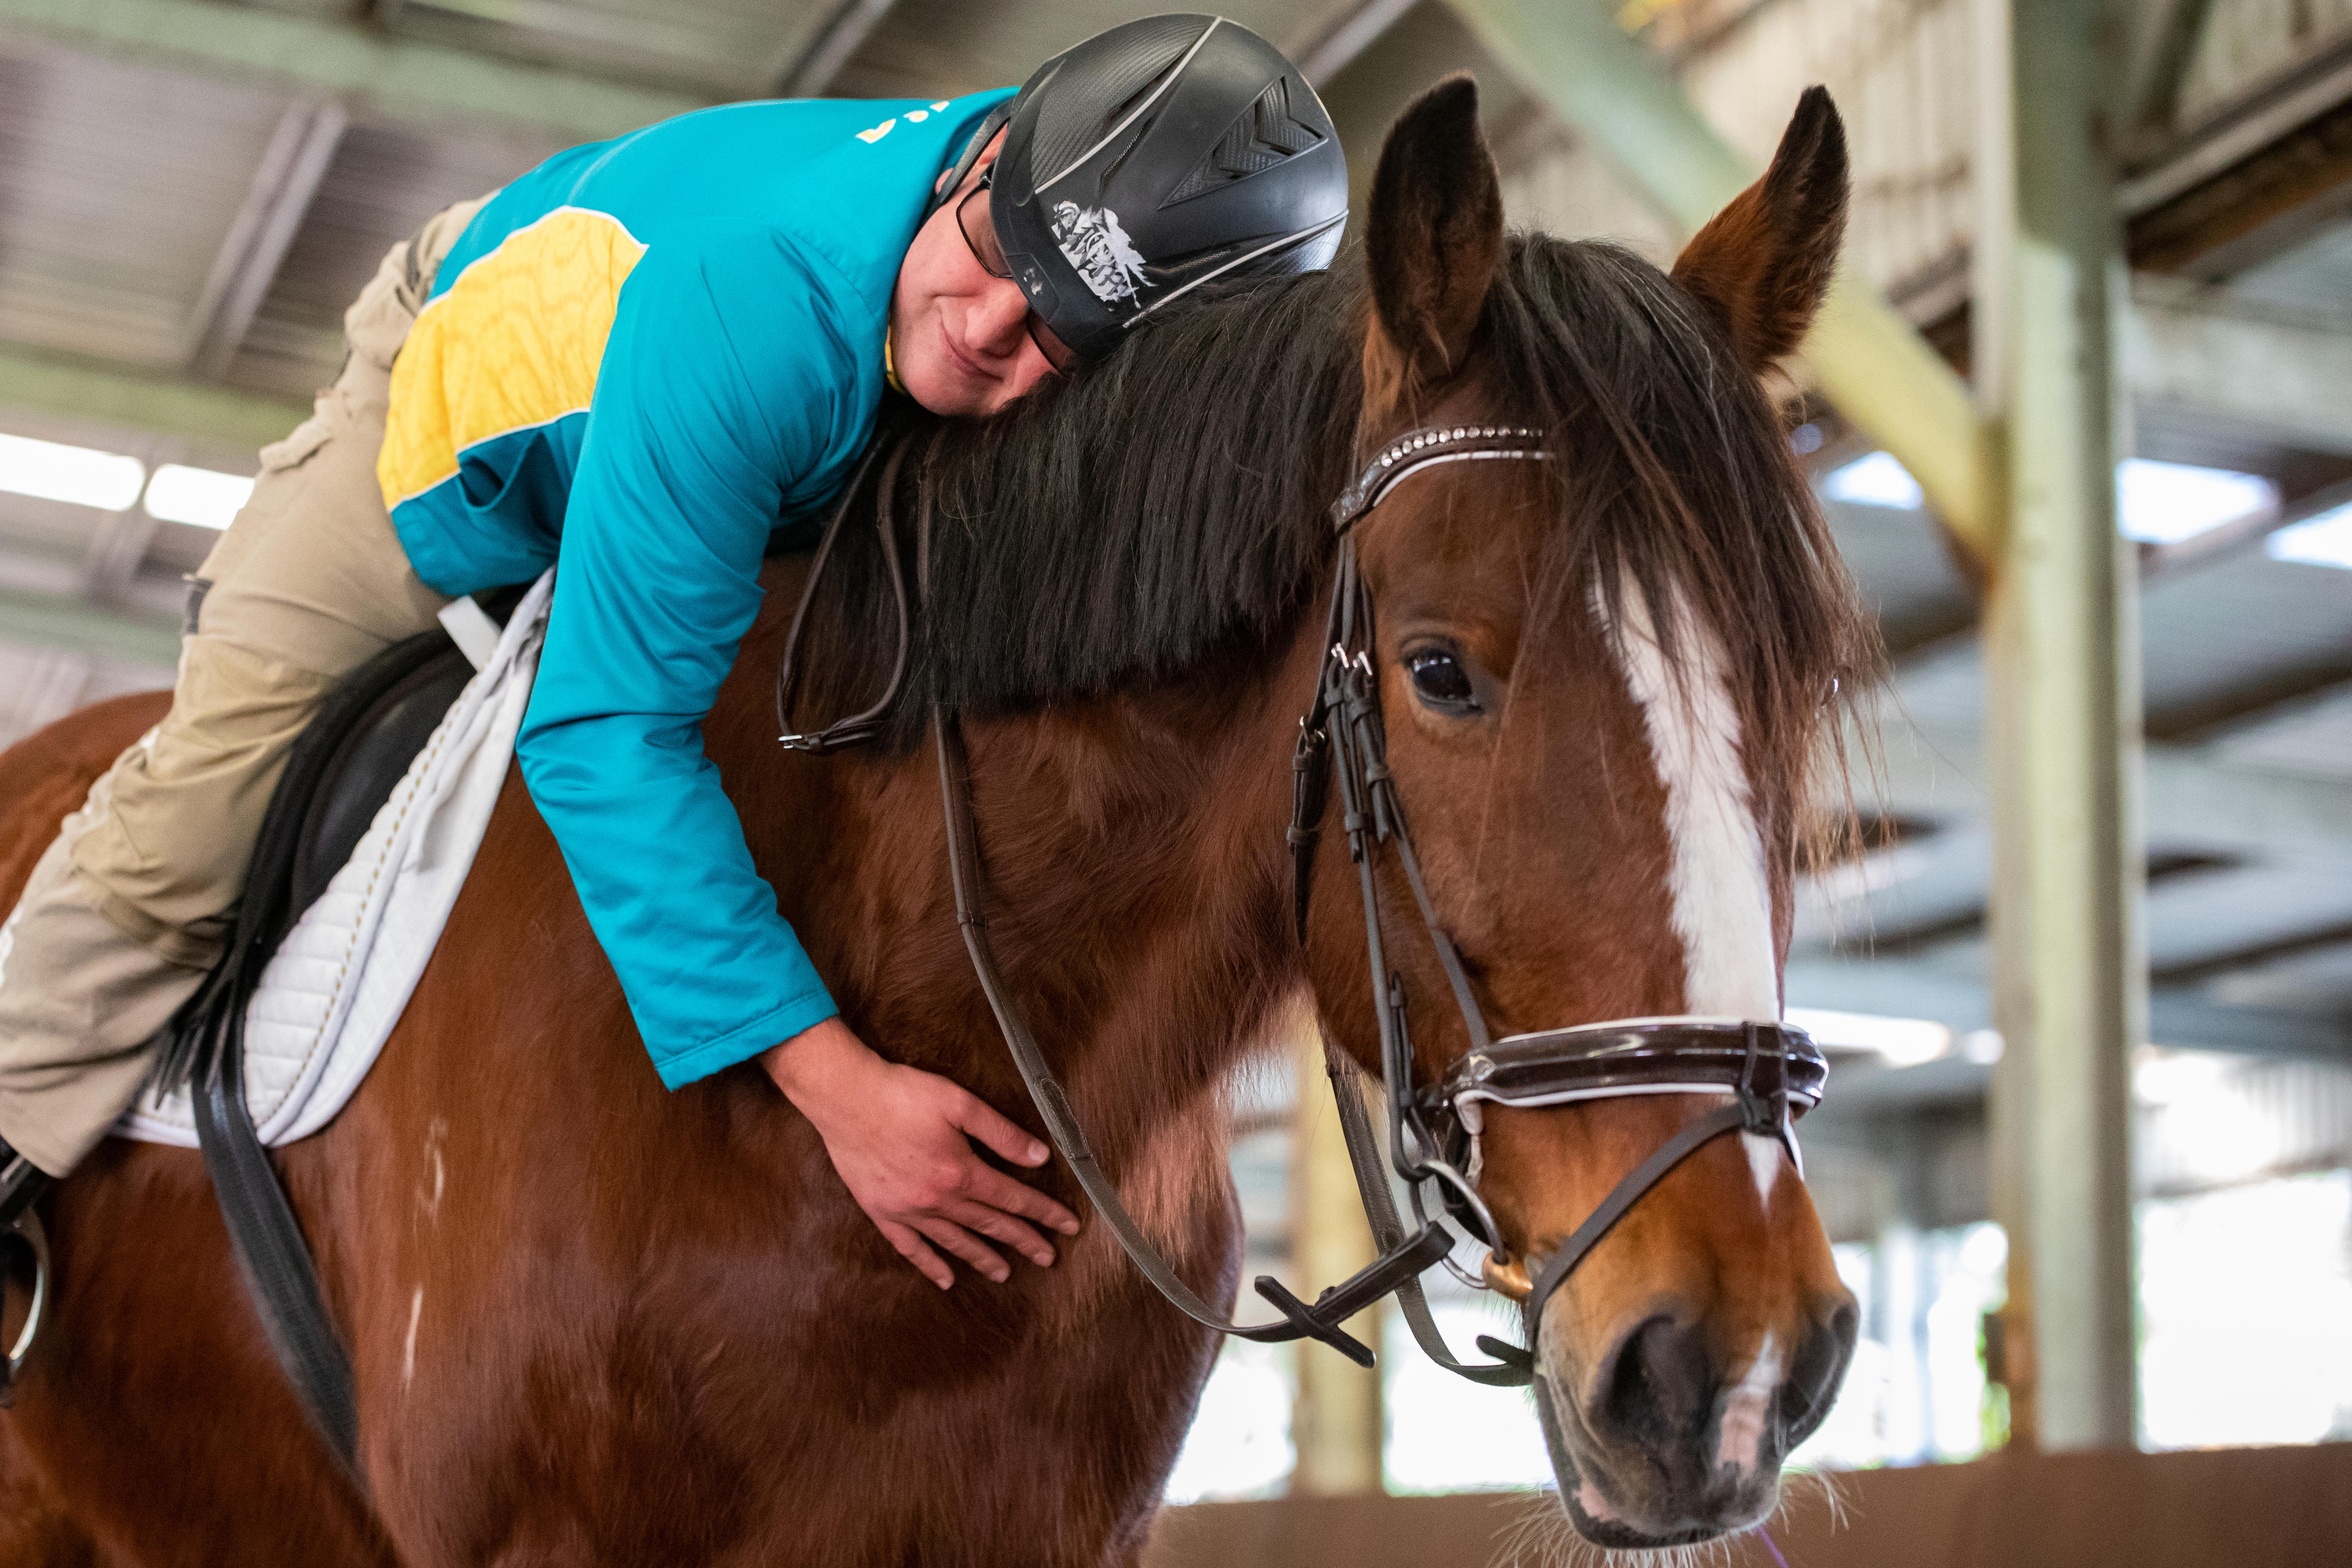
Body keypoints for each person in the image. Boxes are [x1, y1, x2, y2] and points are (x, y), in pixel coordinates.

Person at [0, 15, 1346, 1293]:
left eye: (1064, 331)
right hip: (449, 422)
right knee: (198, 812)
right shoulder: (755, 305)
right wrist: (837, 1087)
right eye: (997, 249)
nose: (991, 325)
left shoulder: (1048, 250)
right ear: (990, 156)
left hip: (742, 443)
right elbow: (603, 733)